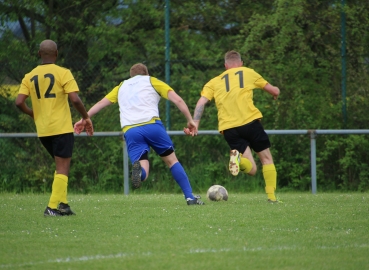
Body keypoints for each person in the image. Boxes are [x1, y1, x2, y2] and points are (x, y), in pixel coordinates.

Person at [74, 63, 204, 205]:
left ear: (131, 76)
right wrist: (190, 120)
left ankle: (139, 173)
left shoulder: (121, 86)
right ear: (146, 74)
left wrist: (83, 119)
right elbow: (177, 99)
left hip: (131, 130)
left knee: (143, 169)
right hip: (152, 126)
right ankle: (190, 197)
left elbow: (100, 103)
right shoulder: (151, 80)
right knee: (172, 161)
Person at [186, 50, 280, 203]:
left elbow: (202, 102)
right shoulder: (248, 72)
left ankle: (238, 160)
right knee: (266, 159)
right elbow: (272, 89)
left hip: (229, 128)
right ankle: (271, 197)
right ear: (241, 63)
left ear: (225, 66)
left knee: (252, 169)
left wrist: (195, 123)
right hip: (250, 122)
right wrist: (276, 91)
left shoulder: (214, 82)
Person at [15, 39, 94, 217]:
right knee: (63, 167)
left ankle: (63, 205)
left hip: (43, 130)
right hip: (61, 128)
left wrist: (31, 113)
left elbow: (19, 102)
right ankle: (51, 207)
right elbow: (75, 99)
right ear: (56, 54)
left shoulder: (30, 76)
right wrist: (85, 117)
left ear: (39, 54)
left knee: (60, 167)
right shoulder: (63, 73)